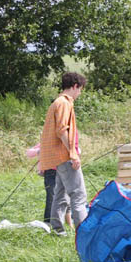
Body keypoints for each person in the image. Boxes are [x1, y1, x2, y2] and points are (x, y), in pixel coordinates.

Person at [38, 72, 88, 236]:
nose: (80, 93)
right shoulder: (64, 103)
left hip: (57, 157)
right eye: (80, 89)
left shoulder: (57, 102)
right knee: (78, 194)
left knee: (60, 193)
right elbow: (61, 131)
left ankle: (57, 229)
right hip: (64, 155)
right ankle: (84, 232)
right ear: (75, 86)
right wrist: (72, 153)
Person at [25, 143, 73, 229]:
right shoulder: (44, 143)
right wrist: (40, 151)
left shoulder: (64, 141)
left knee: (66, 197)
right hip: (50, 172)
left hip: (64, 170)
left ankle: (69, 224)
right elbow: (29, 153)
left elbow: (77, 150)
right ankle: (48, 223)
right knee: (51, 197)